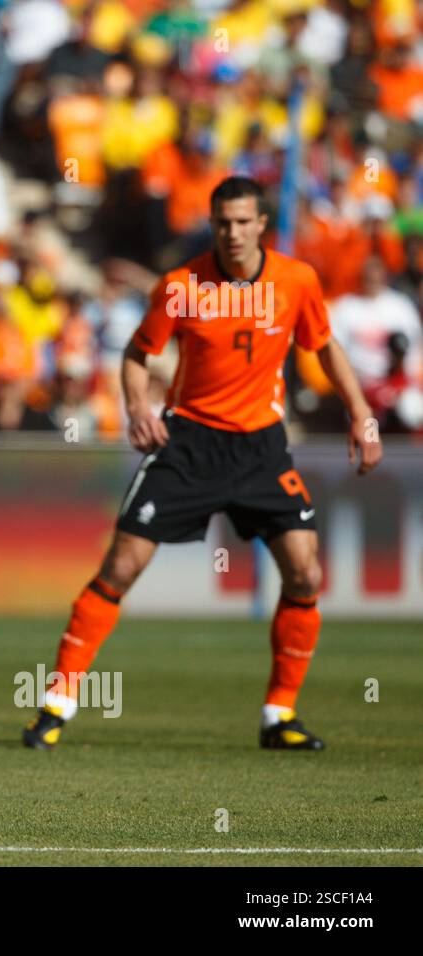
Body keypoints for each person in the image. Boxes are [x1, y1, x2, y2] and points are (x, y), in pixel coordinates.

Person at [23, 176, 382, 752]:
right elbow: (137, 354)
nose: (232, 232)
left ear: (261, 224)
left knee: (306, 574)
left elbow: (323, 345)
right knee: (120, 568)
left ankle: (279, 716)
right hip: (188, 444)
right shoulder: (180, 286)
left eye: (242, 222)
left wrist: (360, 414)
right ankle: (55, 707)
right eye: (222, 222)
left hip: (261, 449)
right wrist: (138, 407)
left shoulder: (296, 280)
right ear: (212, 224)